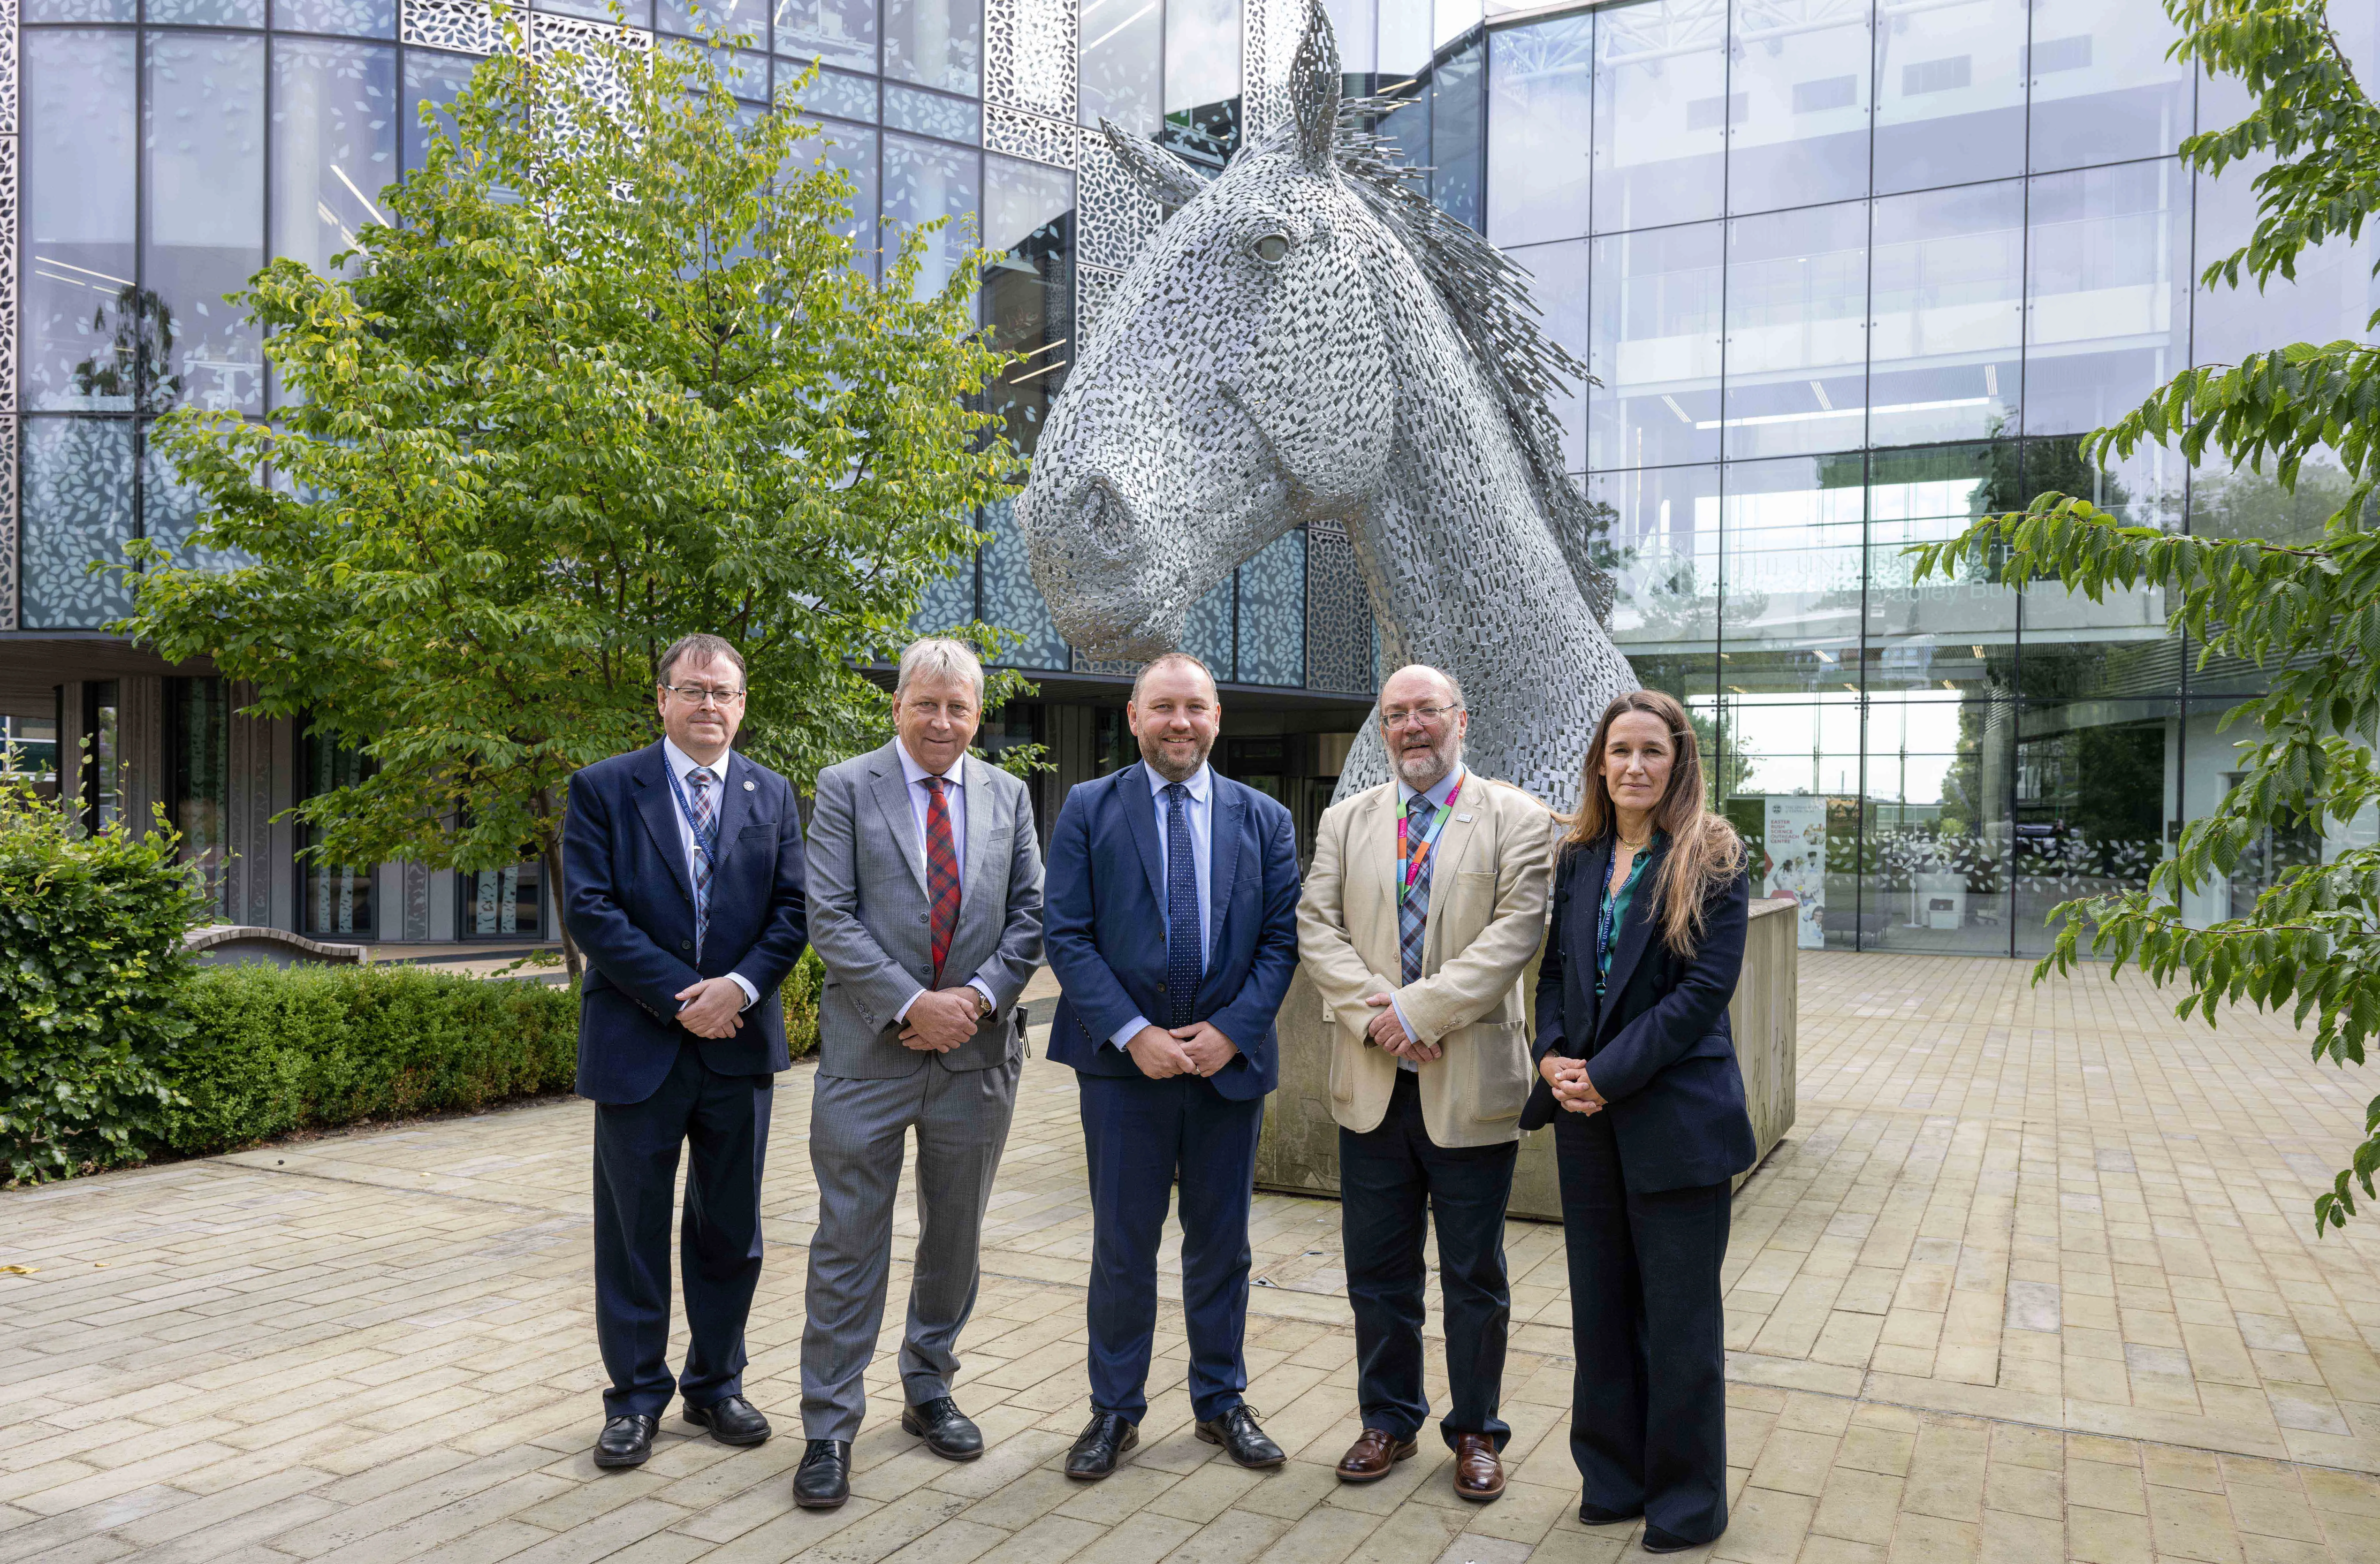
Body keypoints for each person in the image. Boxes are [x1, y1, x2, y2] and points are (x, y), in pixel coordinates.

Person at [790, 638, 1046, 1509]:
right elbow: (828, 914)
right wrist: (911, 1004)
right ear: (897, 705)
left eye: (960, 708)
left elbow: (1031, 915)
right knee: (847, 1240)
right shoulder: (844, 787)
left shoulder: (1009, 796)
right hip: (869, 1056)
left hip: (976, 1059)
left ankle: (929, 1387)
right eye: (927, 704)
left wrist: (972, 1001)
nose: (942, 722)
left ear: (979, 715)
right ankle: (829, 1426)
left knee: (955, 1237)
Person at [1296, 664, 1554, 1504]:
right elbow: (1316, 926)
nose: (1412, 727)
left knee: (1473, 1276)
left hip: (1468, 1085)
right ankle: (1388, 1419)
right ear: (1382, 728)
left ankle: (1476, 1430)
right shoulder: (1346, 821)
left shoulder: (1516, 818)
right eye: (1395, 714)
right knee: (1377, 1271)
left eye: (1427, 712)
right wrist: (1382, 1018)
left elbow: (1515, 933)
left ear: (1460, 721)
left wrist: (1419, 1014)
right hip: (1371, 1085)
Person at [1042, 652, 1302, 1481]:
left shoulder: (1265, 819)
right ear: (1132, 717)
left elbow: (1279, 941)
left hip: (1228, 1069)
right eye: (1163, 708)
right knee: (1123, 1248)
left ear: (1217, 718)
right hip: (1125, 1073)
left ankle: (1221, 1402)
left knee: (1221, 1248)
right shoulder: (1088, 809)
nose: (1179, 722)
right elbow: (1068, 934)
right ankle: (1113, 1411)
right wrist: (1131, 1032)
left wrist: (1229, 1031)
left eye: (1194, 707)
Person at [563, 633, 810, 1470]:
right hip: (640, 1043)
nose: (712, 706)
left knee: (729, 1230)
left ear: (744, 706)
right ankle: (634, 1399)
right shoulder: (603, 789)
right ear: (661, 699)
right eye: (695, 690)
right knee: (631, 1233)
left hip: (738, 1043)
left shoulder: (771, 794)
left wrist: (734, 991)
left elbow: (792, 911)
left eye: (727, 693)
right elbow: (591, 912)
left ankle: (716, 1387)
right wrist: (685, 997)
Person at [1524, 688, 1754, 1553]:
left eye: (1651, 751)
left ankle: (1686, 1503)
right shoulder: (1579, 857)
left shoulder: (1715, 857)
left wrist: (1605, 1077)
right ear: (1599, 763)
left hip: (1674, 1123)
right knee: (1602, 1310)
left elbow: (1702, 995)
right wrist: (1550, 1057)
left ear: (1678, 761)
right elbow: (1553, 973)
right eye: (1618, 751)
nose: (1633, 766)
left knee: (1679, 1322)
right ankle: (1611, 1480)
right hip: (1586, 1120)